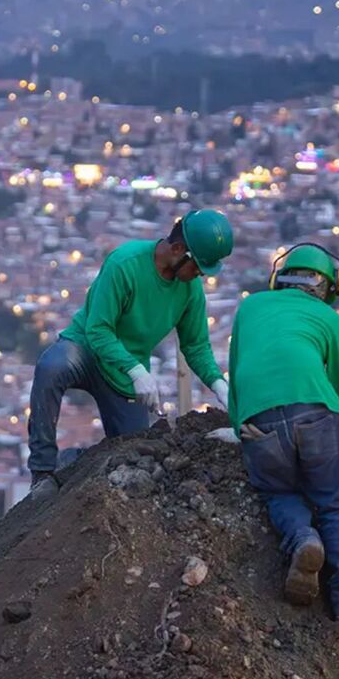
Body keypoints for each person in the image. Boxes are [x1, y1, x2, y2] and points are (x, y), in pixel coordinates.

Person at [27, 209, 234, 499]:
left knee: (133, 451)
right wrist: (136, 370)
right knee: (52, 366)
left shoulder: (189, 290)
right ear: (177, 250)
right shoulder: (125, 264)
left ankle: (73, 463)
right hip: (86, 349)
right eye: (199, 266)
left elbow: (196, 346)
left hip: (122, 372)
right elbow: (98, 330)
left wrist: (218, 384)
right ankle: (42, 472)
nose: (200, 274)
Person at [224, 243, 339, 626]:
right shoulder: (330, 320)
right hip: (316, 413)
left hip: (259, 419)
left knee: (278, 491)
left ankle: (302, 538)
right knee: (338, 502)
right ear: (328, 287)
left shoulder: (251, 307)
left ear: (280, 277)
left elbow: (237, 371)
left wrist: (238, 425)